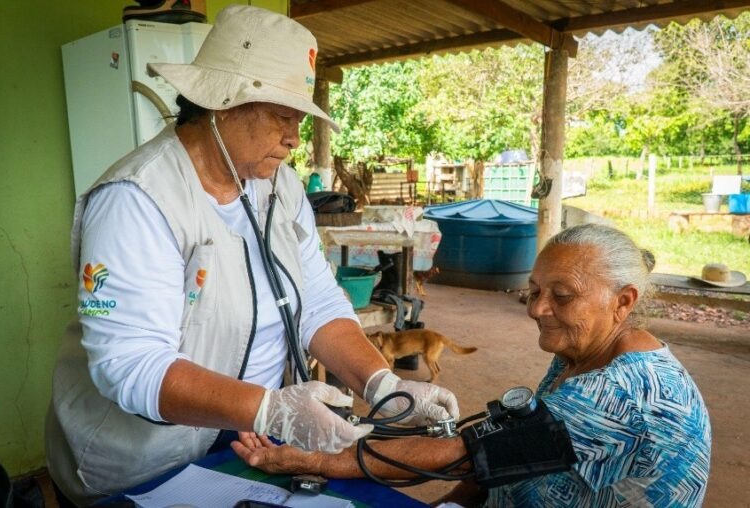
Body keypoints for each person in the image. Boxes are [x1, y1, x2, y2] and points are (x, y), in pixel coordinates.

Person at [45, 5, 458, 505]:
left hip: (248, 442)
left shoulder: (280, 188)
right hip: (146, 457)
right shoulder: (137, 199)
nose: (294, 138)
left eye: (299, 120)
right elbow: (132, 363)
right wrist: (270, 409)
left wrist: (384, 385)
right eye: (283, 116)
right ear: (222, 104)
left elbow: (318, 303)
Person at [233, 224, 712, 507]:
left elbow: (467, 454)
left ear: (623, 302)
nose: (537, 309)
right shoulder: (581, 352)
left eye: (562, 296)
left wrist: (316, 460)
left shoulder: (623, 393)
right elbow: (503, 458)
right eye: (534, 291)